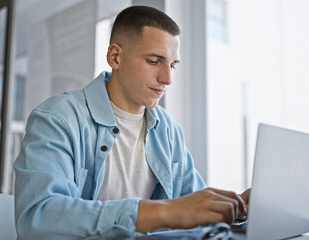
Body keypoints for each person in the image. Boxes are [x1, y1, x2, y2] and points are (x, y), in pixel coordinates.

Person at [14, 5, 249, 239]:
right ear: (115, 57)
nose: (167, 78)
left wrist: (237, 209)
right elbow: (39, 218)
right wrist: (162, 212)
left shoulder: (168, 131)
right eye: (154, 61)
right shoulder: (58, 119)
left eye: (173, 65)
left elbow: (194, 210)